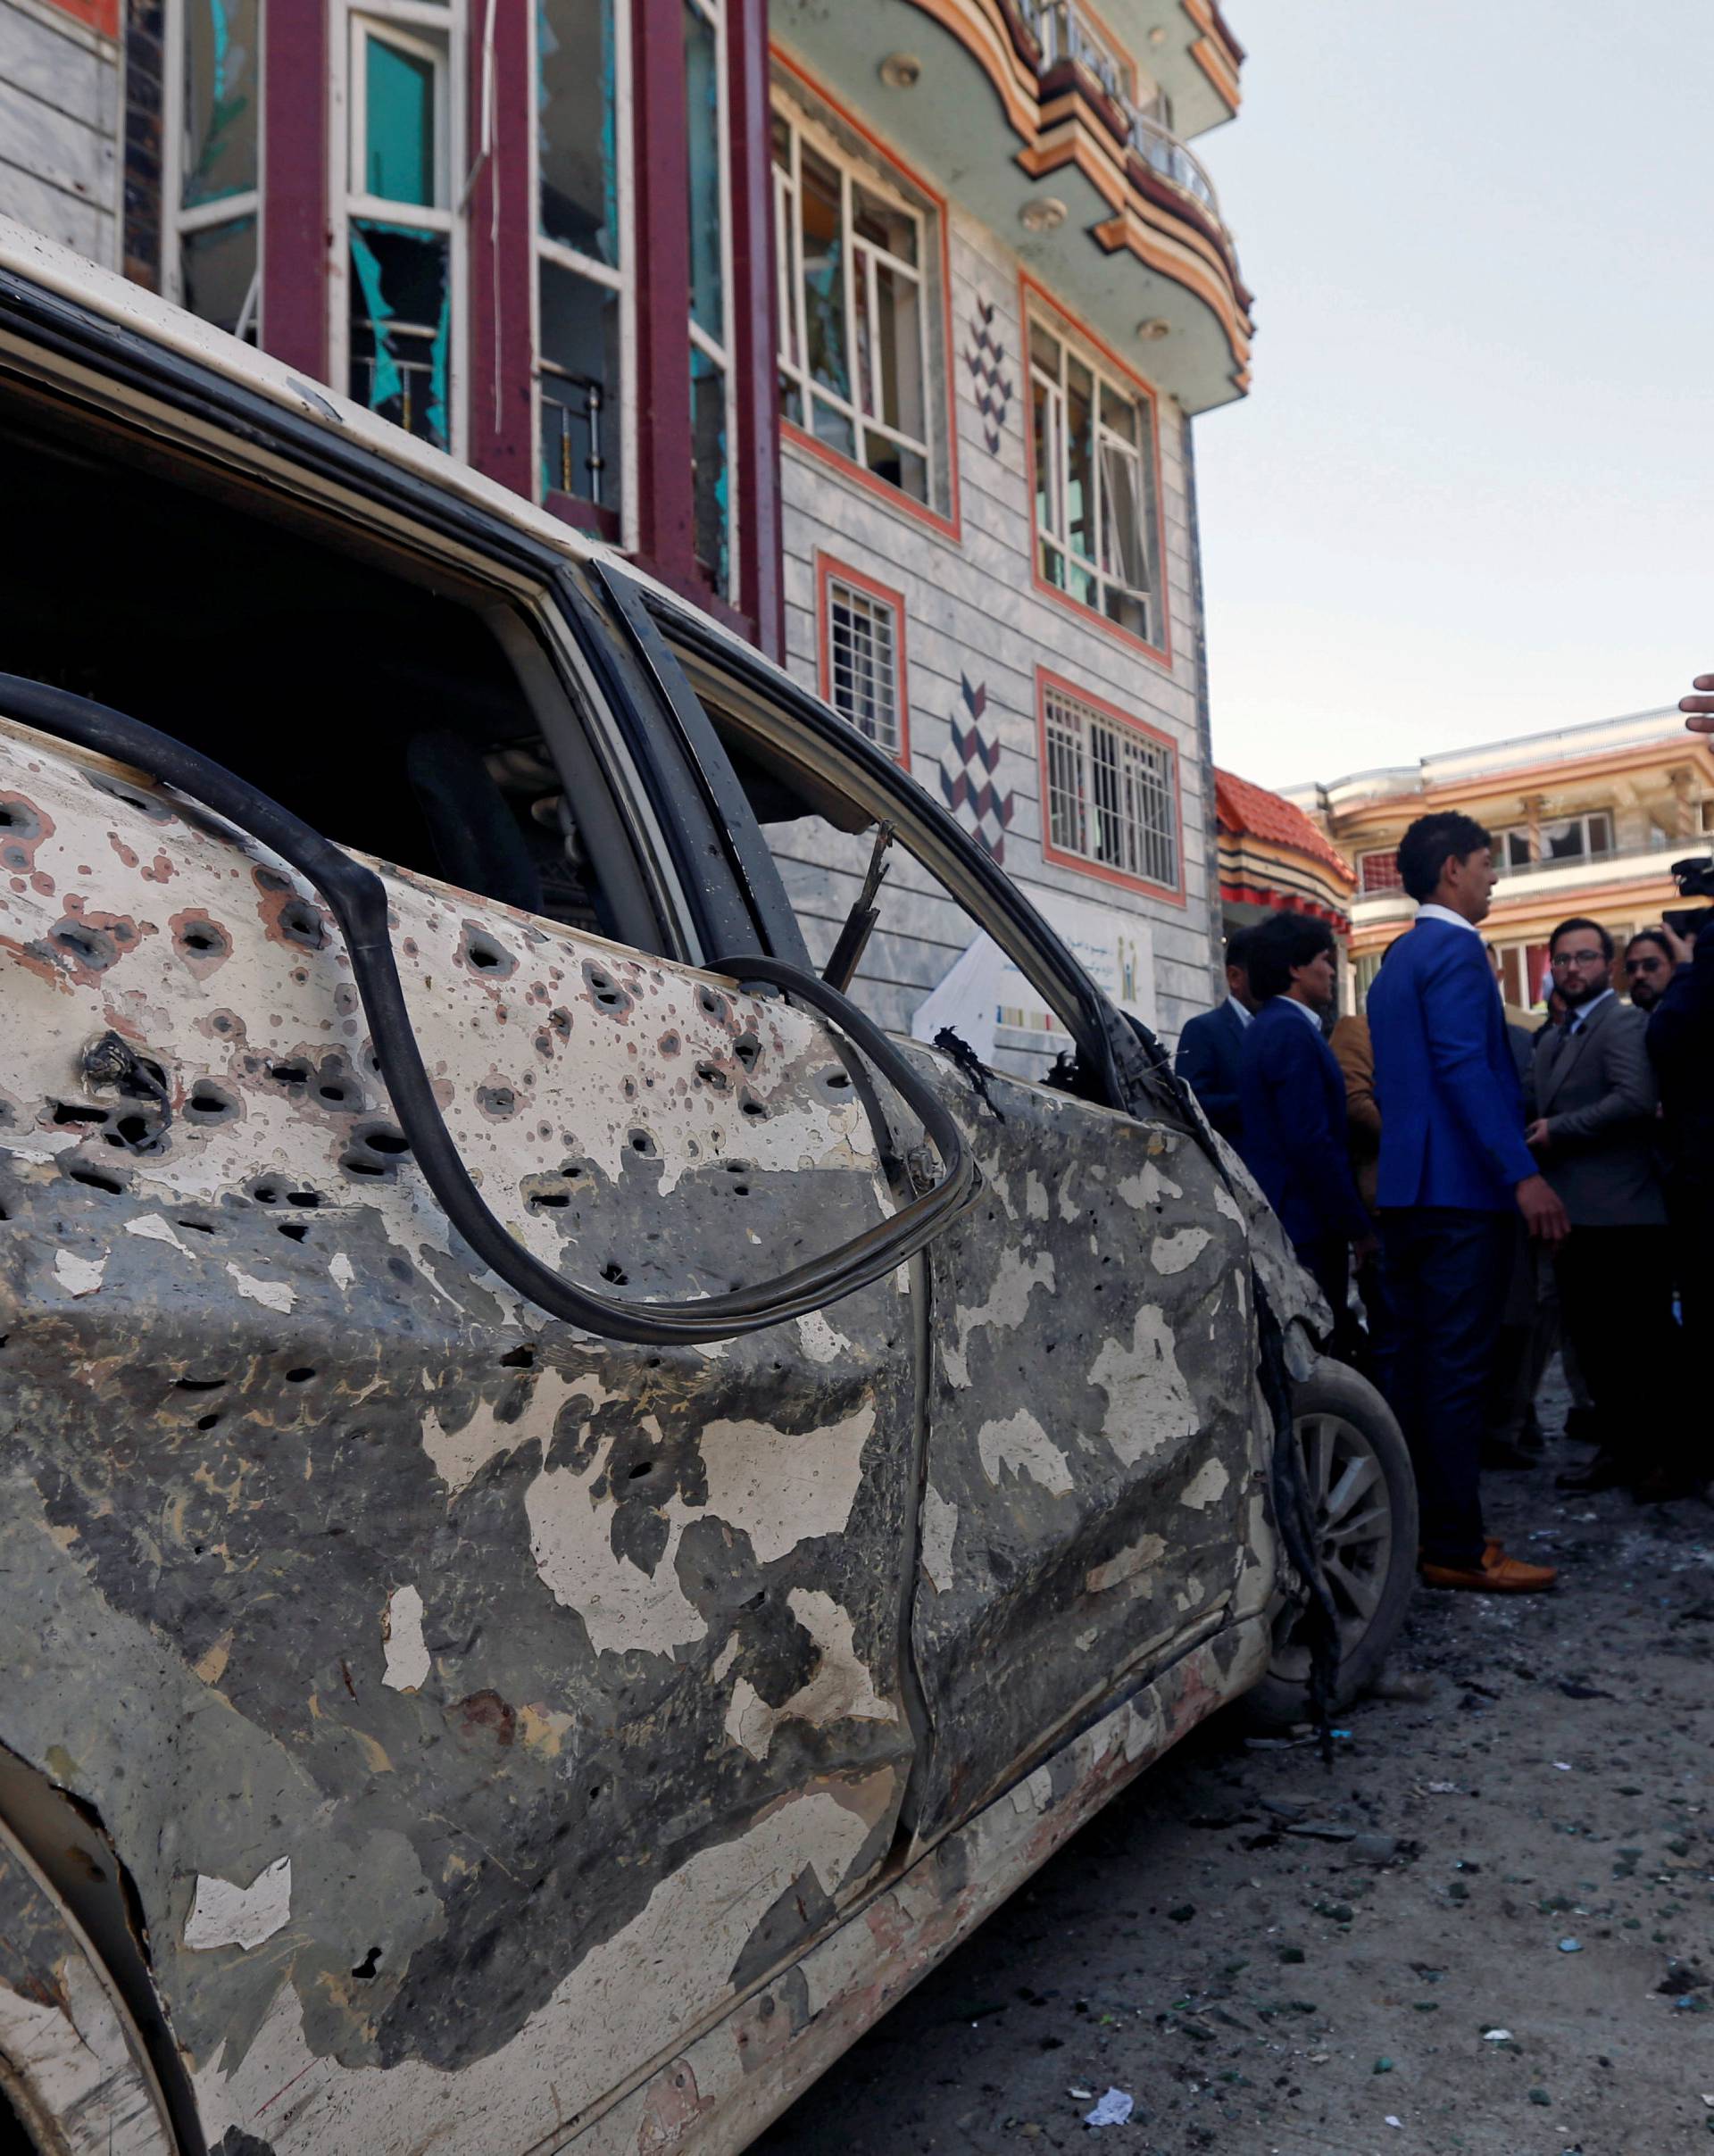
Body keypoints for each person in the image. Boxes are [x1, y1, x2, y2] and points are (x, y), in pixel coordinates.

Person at [1366, 812, 1568, 1594]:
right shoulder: (1455, 948)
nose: (1494, 877)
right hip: (1461, 1194)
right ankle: (1454, 1543)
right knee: (1456, 1375)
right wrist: (1522, 1174)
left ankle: (1423, 1532)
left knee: (1415, 1370)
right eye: (1487, 863)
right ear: (1452, 869)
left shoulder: (1396, 959)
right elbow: (1465, 1069)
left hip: (1409, 1192)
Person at [1526, 917, 1688, 1500]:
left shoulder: (1623, 1023)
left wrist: (1557, 1130)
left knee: (1642, 1352)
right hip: (1574, 1220)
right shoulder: (1553, 1037)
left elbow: (1635, 1100)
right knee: (1598, 1356)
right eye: (1563, 959)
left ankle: (1666, 1460)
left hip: (1626, 1217)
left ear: (1608, 966)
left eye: (1586, 957)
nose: (1573, 968)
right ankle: (1620, 1452)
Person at [1236, 912, 1373, 1349]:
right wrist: (1358, 1227)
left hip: (1289, 1218)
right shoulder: (1290, 1032)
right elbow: (1312, 1141)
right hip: (1305, 1226)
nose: (1332, 970)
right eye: (1323, 959)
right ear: (1295, 968)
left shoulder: (1269, 1027)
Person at [1175, 928, 1257, 1144]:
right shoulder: (1203, 1030)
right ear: (1235, 977)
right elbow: (1192, 1104)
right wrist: (1258, 1103)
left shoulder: (1278, 1031)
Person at [1622, 928, 1676, 1013]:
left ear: (1673, 967)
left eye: (1650, 965)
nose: (1639, 975)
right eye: (1631, 967)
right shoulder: (1623, 1022)